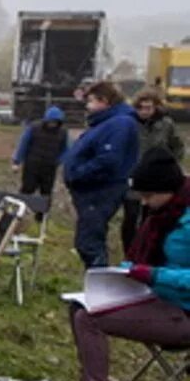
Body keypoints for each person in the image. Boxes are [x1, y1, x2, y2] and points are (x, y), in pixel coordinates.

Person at [68, 148, 190, 381]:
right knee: (80, 306)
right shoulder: (165, 214)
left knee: (89, 318)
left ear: (169, 189)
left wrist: (153, 275)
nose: (144, 204)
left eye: (149, 196)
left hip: (183, 311)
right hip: (158, 298)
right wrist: (125, 273)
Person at [62, 80, 139, 268]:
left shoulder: (119, 124)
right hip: (92, 191)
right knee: (88, 240)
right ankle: (96, 284)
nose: (88, 107)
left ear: (104, 101)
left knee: (89, 243)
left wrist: (78, 174)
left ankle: (101, 284)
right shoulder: (105, 123)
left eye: (91, 101)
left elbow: (109, 159)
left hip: (101, 190)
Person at [121, 89, 184, 253]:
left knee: (151, 217)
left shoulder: (166, 124)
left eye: (148, 107)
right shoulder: (129, 123)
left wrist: (169, 166)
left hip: (156, 178)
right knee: (130, 216)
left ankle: (147, 249)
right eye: (140, 108)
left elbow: (177, 146)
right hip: (133, 175)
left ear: (155, 107)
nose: (144, 111)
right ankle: (129, 250)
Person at [11, 105, 68, 212]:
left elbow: (65, 149)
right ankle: (20, 212)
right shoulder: (34, 128)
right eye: (51, 121)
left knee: (46, 193)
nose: (53, 124)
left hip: (49, 167)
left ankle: (42, 217)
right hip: (32, 165)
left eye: (55, 122)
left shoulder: (63, 133)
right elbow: (23, 144)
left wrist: (60, 161)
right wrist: (16, 161)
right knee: (27, 190)